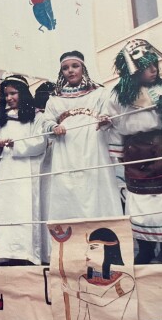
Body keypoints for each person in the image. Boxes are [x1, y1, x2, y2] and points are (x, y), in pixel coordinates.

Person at [106, 39, 162, 264]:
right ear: (133, 69)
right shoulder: (117, 97)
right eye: (147, 65)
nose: (154, 70)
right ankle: (145, 249)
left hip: (161, 153)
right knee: (138, 203)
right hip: (134, 157)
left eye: (155, 64)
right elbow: (115, 127)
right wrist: (119, 157)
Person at [42, 51, 122, 222]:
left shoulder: (100, 93)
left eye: (75, 66)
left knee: (96, 187)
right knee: (67, 189)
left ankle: (106, 236)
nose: (70, 71)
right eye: (65, 68)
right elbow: (46, 121)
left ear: (83, 68)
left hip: (94, 145)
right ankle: (71, 241)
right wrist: (54, 126)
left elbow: (110, 112)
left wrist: (105, 119)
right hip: (65, 148)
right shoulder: (54, 99)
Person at [0, 75, 48, 266]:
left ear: (22, 93)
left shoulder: (36, 117)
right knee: (5, 211)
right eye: (6, 94)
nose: (9, 98)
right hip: (6, 172)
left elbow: (41, 141)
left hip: (27, 172)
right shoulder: (1, 118)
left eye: (13, 93)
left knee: (25, 210)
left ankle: (27, 253)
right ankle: (4, 252)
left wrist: (15, 144)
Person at [61, 228, 135, 320]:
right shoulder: (84, 279)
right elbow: (83, 310)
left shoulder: (126, 280)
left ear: (109, 250)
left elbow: (102, 300)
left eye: (93, 248)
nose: (86, 254)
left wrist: (72, 292)